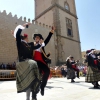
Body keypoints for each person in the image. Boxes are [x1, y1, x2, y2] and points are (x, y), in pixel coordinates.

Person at [12, 23, 43, 100]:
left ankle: (32, 97)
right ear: (24, 38)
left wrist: (40, 43)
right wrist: (24, 26)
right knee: (34, 63)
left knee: (31, 81)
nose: (28, 39)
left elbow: (37, 46)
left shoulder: (29, 44)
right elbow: (18, 33)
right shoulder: (19, 42)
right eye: (27, 38)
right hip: (23, 62)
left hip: (29, 64)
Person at [33, 26, 55, 96]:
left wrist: (51, 31)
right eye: (36, 38)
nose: (37, 39)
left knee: (47, 71)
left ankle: (42, 87)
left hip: (41, 62)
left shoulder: (41, 45)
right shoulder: (32, 44)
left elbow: (47, 40)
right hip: (33, 62)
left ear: (40, 39)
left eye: (38, 38)